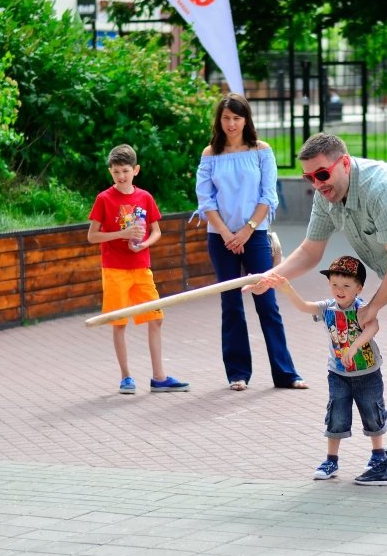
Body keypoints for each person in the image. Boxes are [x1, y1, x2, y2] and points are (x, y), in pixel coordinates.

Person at [248, 133, 387, 486]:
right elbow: (311, 251)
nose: (317, 184)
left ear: (345, 163)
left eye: (322, 174)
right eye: (309, 178)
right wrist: (272, 276)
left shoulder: (384, 188)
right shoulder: (328, 196)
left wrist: (374, 307)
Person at [195, 93, 307, 391]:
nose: (231, 124)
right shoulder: (210, 154)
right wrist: (226, 233)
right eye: (226, 118)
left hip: (255, 235)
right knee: (231, 305)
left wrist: (247, 230)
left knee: (266, 302)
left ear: (246, 120)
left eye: (237, 118)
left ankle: (286, 373)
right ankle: (237, 374)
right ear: (219, 121)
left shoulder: (261, 151)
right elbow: (205, 200)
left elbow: (268, 195)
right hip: (220, 238)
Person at [270, 255, 387, 480]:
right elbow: (304, 306)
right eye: (334, 284)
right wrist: (286, 287)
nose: (339, 290)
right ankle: (331, 461)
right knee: (336, 415)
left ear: (359, 289)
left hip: (367, 372)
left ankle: (378, 454)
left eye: (346, 285)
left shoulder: (362, 309)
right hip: (338, 373)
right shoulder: (327, 308)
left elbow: (373, 327)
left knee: (372, 412)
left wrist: (354, 347)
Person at [87, 144, 190, 394]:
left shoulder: (144, 197)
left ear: (136, 170)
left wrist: (143, 243)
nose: (121, 176)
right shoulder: (104, 198)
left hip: (142, 268)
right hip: (115, 270)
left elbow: (156, 231)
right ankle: (126, 377)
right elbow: (92, 236)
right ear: (110, 172)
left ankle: (159, 377)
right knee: (118, 322)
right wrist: (122, 234)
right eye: (115, 172)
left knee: (156, 318)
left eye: (125, 171)